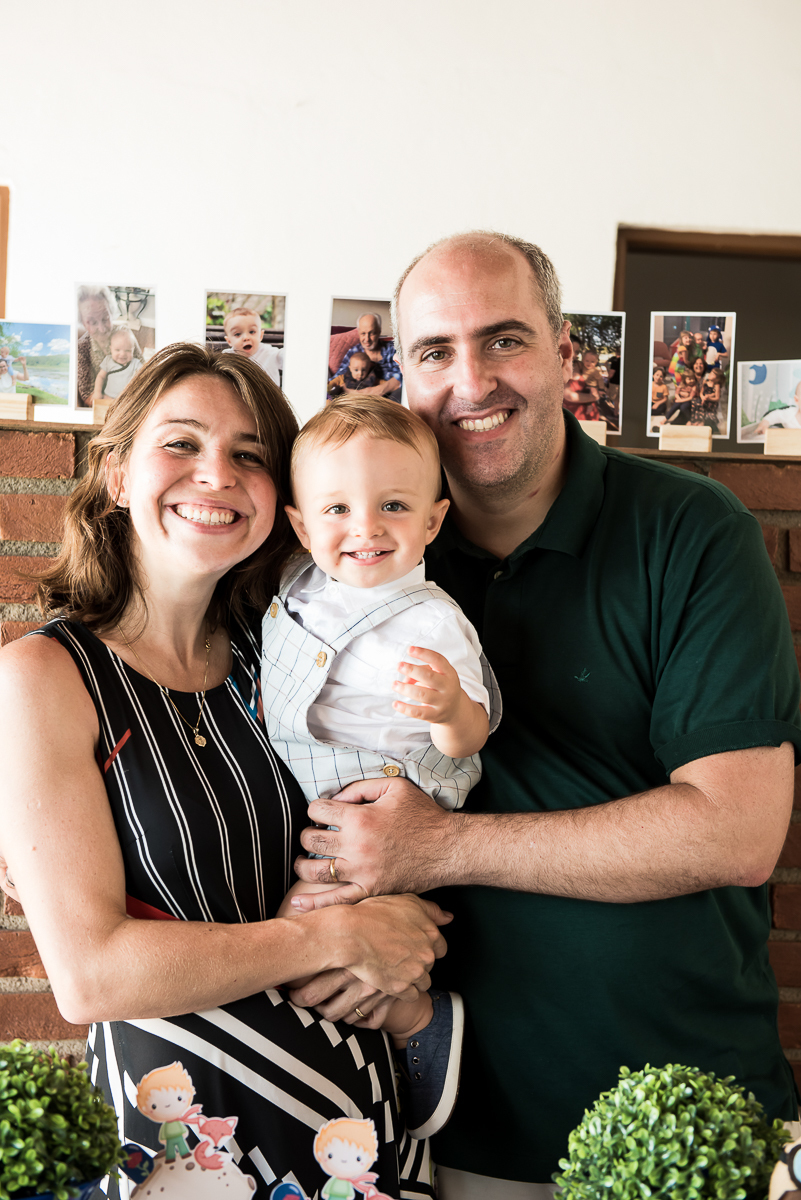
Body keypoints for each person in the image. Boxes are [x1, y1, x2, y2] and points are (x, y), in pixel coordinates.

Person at [289, 231, 801, 1198]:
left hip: (681, 1119)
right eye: (435, 352)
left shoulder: (691, 533)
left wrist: (435, 847)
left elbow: (737, 831)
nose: (471, 381)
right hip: (442, 1128)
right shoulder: (351, 559)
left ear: (566, 354)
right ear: (402, 377)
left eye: (504, 339)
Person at [0, 344, 450, 1200]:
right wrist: (337, 937)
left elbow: (400, 800)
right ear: (117, 475)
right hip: (183, 1138)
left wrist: (400, 903)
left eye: (249, 455)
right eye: (181, 443)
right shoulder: (44, 677)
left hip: (355, 1119)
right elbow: (92, 976)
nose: (216, 475)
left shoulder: (286, 657)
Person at [265, 395, 500, 1137]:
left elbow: (472, 736)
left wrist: (448, 706)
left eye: (393, 506)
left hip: (389, 799)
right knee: (308, 943)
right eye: (337, 509)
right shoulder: (300, 588)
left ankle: (417, 1019)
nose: (365, 528)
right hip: (319, 792)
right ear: (301, 526)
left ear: (432, 521)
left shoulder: (431, 620)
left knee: (311, 931)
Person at [76, 284, 144, 408]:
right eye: (92, 322)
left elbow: (144, 371)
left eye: (105, 318)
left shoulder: (125, 334)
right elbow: (88, 396)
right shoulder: (81, 349)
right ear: (83, 323)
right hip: (104, 407)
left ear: (111, 313)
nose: (102, 329)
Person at [331, 313, 402, 399]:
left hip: (389, 397)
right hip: (356, 398)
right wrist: (348, 391)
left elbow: (404, 375)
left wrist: (377, 391)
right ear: (358, 333)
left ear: (379, 331)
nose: (367, 339)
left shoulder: (393, 349)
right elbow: (338, 378)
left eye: (371, 333)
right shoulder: (354, 352)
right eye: (363, 333)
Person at [221, 306, 284, 386]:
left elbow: (290, 358)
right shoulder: (227, 358)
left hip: (269, 394)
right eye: (237, 334)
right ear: (229, 341)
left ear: (260, 336)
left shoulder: (271, 353)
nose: (246, 337)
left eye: (252, 332)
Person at [90, 326, 143, 402]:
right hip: (108, 397)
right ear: (111, 349)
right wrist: (97, 392)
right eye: (117, 350)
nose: (122, 354)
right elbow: (101, 377)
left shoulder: (135, 363)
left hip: (126, 399)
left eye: (128, 350)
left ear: (133, 350)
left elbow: (144, 371)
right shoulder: (108, 361)